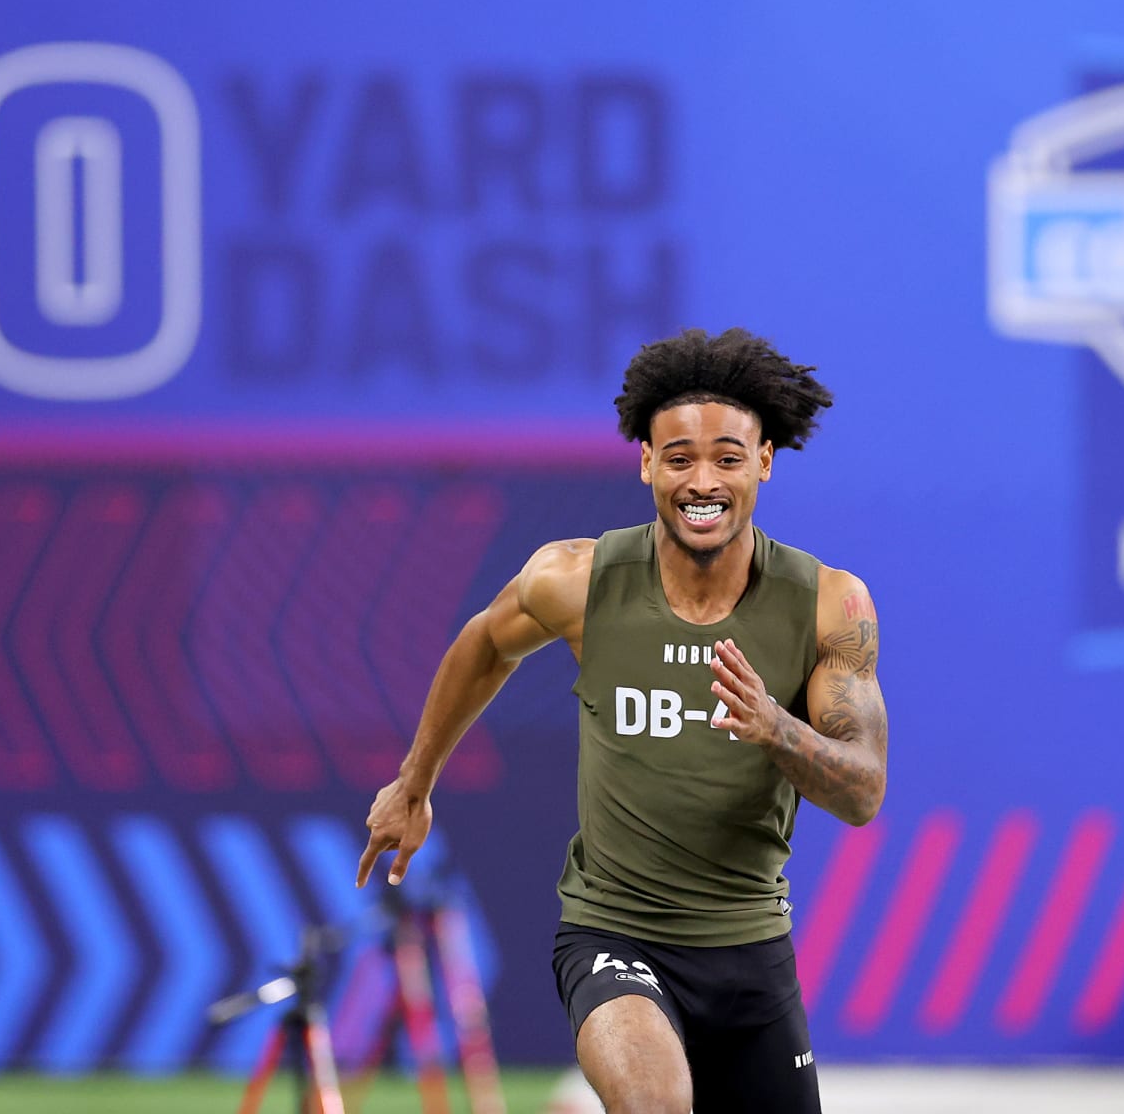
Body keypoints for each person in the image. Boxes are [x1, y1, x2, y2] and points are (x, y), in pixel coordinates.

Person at [356, 327, 888, 1114]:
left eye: (727, 459)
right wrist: (415, 781)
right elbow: (483, 646)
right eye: (678, 458)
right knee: (655, 1103)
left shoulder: (827, 605)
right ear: (645, 462)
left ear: (765, 462)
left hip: (750, 956)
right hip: (616, 939)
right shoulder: (573, 580)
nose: (701, 481)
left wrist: (778, 728)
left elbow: (864, 791)